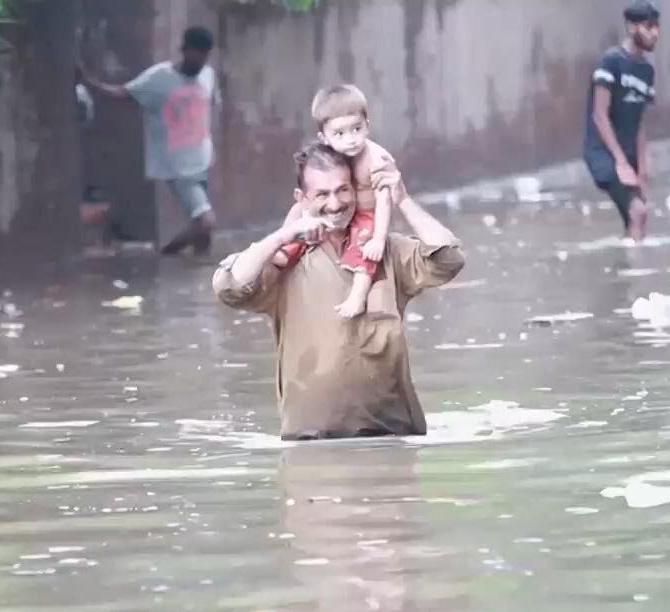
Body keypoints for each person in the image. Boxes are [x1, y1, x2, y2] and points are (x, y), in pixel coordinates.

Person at [212, 142, 465, 441]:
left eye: (343, 190)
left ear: (357, 190)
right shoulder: (285, 261)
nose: (335, 204)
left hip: (392, 438)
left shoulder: (384, 249)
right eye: (322, 194)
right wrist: (283, 236)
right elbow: (228, 286)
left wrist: (403, 200)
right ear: (302, 199)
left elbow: (449, 259)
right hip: (310, 446)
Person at [76, 26, 220, 256]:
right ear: (184, 50)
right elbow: (122, 93)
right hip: (179, 167)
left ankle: (201, 273)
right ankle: (166, 255)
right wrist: (88, 81)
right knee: (206, 222)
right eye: (197, 54)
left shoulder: (209, 75)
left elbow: (207, 108)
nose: (201, 60)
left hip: (203, 161)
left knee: (203, 237)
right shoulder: (159, 78)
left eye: (205, 55)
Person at [277, 85, 397, 319]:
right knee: (303, 217)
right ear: (325, 137)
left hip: (366, 216)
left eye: (357, 129)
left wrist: (379, 239)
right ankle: (285, 249)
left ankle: (358, 295)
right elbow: (310, 194)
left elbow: (385, 201)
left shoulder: (376, 159)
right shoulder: (332, 155)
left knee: (364, 248)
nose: (351, 140)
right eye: (340, 134)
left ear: (367, 126)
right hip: (342, 214)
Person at [583, 0, 660, 243]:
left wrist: (643, 170)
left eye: (656, 26)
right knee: (638, 211)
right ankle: (635, 277)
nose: (654, 32)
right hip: (603, 154)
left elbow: (639, 123)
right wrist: (621, 162)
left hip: (628, 157)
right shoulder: (611, 62)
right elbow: (599, 115)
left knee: (638, 218)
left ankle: (626, 264)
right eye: (648, 26)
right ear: (631, 27)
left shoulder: (647, 71)